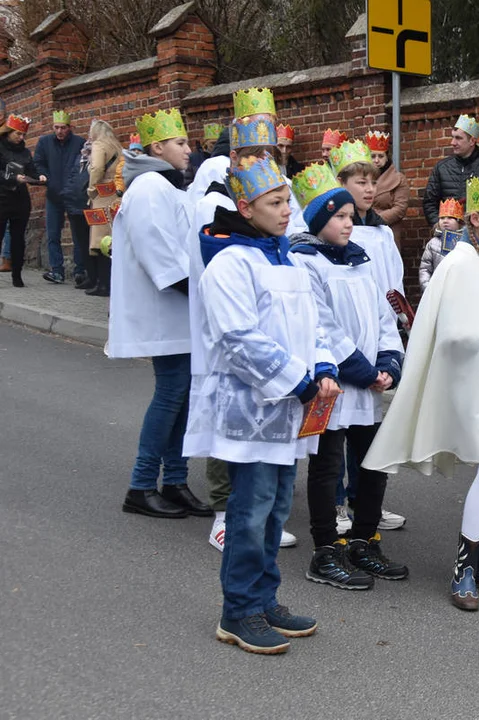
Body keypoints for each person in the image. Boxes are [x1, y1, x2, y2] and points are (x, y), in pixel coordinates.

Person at [364, 174, 479, 611]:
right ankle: (465, 568)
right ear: (475, 218)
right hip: (474, 380)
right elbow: (456, 335)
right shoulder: (462, 262)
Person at [186, 155, 336, 655]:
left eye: (287, 201)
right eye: (275, 203)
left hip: (288, 410)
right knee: (248, 513)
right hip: (251, 411)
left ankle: (264, 597)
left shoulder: (284, 256)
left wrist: (324, 367)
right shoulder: (230, 261)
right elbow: (238, 338)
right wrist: (299, 381)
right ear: (245, 207)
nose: (287, 211)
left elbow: (311, 325)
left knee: (274, 510)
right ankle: (238, 611)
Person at [187, 89, 302, 551]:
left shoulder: (276, 195)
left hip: (273, 323)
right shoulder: (217, 194)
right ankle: (222, 511)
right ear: (235, 154)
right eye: (254, 151)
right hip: (231, 316)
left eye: (270, 151)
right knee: (229, 420)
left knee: (268, 483)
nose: (263, 158)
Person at [288, 161, 408, 589]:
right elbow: (320, 327)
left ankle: (363, 541)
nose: (348, 223)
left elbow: (382, 318)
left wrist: (390, 363)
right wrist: (363, 370)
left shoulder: (360, 262)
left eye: (349, 216)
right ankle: (324, 550)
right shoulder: (307, 263)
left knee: (372, 463)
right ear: (319, 220)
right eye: (338, 216)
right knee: (327, 466)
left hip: (368, 385)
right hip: (334, 383)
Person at [110, 108, 211, 520]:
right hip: (165, 311)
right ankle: (141, 484)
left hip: (179, 313)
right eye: (181, 143)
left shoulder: (167, 185)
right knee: (171, 395)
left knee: (182, 396)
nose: (189, 150)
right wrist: (205, 293)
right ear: (157, 146)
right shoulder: (150, 185)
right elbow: (162, 256)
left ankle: (174, 481)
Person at [329, 138, 409, 534]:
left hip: (376, 337)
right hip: (344, 341)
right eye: (359, 181)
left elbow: (392, 282)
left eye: (371, 181)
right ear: (340, 182)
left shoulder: (380, 232)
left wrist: (398, 320)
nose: (368, 188)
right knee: (338, 430)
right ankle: (338, 504)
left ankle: (366, 504)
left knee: (369, 431)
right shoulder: (335, 234)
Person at [34, 110, 89, 285]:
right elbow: (38, 162)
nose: (59, 131)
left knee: (78, 235)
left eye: (63, 128)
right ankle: (57, 270)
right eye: (56, 128)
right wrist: (43, 175)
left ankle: (80, 271)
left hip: (74, 196)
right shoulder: (44, 142)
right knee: (53, 234)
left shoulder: (79, 143)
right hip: (54, 194)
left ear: (69, 127)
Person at [421, 114, 479, 227]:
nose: (452, 142)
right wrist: (437, 224)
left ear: (472, 141)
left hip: (476, 234)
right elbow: (429, 201)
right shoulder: (442, 167)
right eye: (453, 137)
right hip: (445, 233)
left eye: (458, 138)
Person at [0, 114, 47, 288]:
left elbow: (31, 169)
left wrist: (39, 176)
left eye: (23, 135)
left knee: (18, 238)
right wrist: (13, 178)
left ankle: (17, 274)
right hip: (2, 197)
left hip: (20, 199)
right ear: (9, 132)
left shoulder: (25, 151)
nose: (21, 138)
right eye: (18, 134)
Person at [83, 120, 124, 297]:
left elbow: (97, 168)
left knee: (100, 242)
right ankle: (112, 282)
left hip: (102, 195)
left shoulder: (99, 145)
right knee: (113, 239)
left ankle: (103, 284)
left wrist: (91, 189)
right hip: (116, 194)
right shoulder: (117, 145)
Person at [367, 130, 410, 249]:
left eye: (380, 156)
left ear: (387, 157)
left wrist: (376, 219)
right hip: (364, 231)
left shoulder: (399, 179)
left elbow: (400, 209)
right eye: (373, 156)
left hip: (388, 230)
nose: (376, 160)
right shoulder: (362, 179)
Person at [418, 198, 463, 291]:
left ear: (459, 222)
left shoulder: (465, 243)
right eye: (442, 218)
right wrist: (428, 288)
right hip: (437, 290)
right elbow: (425, 269)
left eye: (450, 218)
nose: (445, 221)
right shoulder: (432, 243)